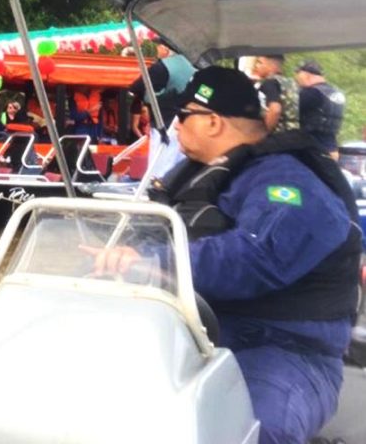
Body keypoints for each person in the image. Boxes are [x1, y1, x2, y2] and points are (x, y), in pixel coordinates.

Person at [91, 66, 361, 444]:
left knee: (248, 430)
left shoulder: (289, 181)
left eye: (182, 117)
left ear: (214, 122)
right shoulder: (199, 177)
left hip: (282, 349)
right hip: (193, 336)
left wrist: (152, 262)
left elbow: (258, 256)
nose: (175, 127)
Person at [128, 37, 195, 176]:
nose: (157, 49)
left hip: (163, 122)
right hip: (188, 121)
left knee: (160, 164)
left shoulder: (162, 67)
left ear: (165, 49)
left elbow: (136, 87)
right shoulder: (194, 66)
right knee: (179, 162)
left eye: (158, 46)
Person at [295, 60, 346, 158]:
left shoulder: (312, 93)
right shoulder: (335, 92)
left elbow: (290, 111)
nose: (298, 81)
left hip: (313, 146)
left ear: (307, 75)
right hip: (331, 147)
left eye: (298, 76)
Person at [253, 54, 299, 133]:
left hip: (277, 134)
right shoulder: (291, 83)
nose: (256, 66)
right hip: (292, 133)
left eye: (260, 62)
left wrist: (265, 132)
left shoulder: (270, 83)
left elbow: (275, 110)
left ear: (272, 66)